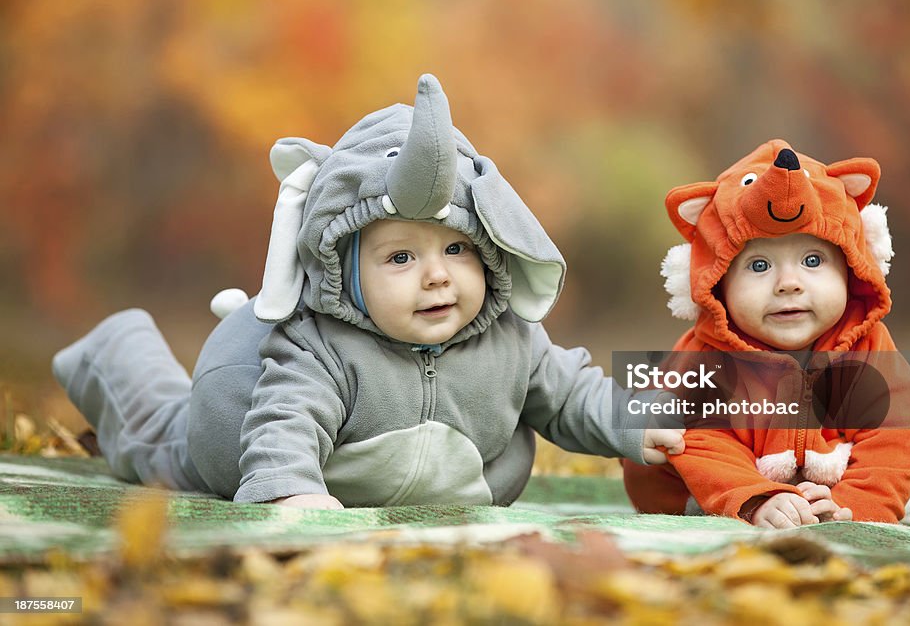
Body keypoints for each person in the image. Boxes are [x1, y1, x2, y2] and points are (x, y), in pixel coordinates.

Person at [53, 74, 684, 509]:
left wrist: (636, 424)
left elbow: (574, 394)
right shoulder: (320, 345)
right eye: (401, 257)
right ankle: (117, 351)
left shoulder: (512, 341)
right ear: (349, 274)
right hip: (233, 435)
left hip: (443, 483)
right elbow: (285, 419)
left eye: (457, 249)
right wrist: (287, 489)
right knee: (154, 440)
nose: (437, 275)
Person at [622, 139, 910, 527]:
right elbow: (697, 440)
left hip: (840, 488)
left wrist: (853, 507)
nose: (788, 283)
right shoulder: (704, 358)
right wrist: (756, 500)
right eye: (759, 265)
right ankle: (725, 511)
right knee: (662, 431)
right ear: (718, 284)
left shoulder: (870, 349)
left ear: (852, 270)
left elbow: (896, 437)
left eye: (812, 260)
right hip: (712, 489)